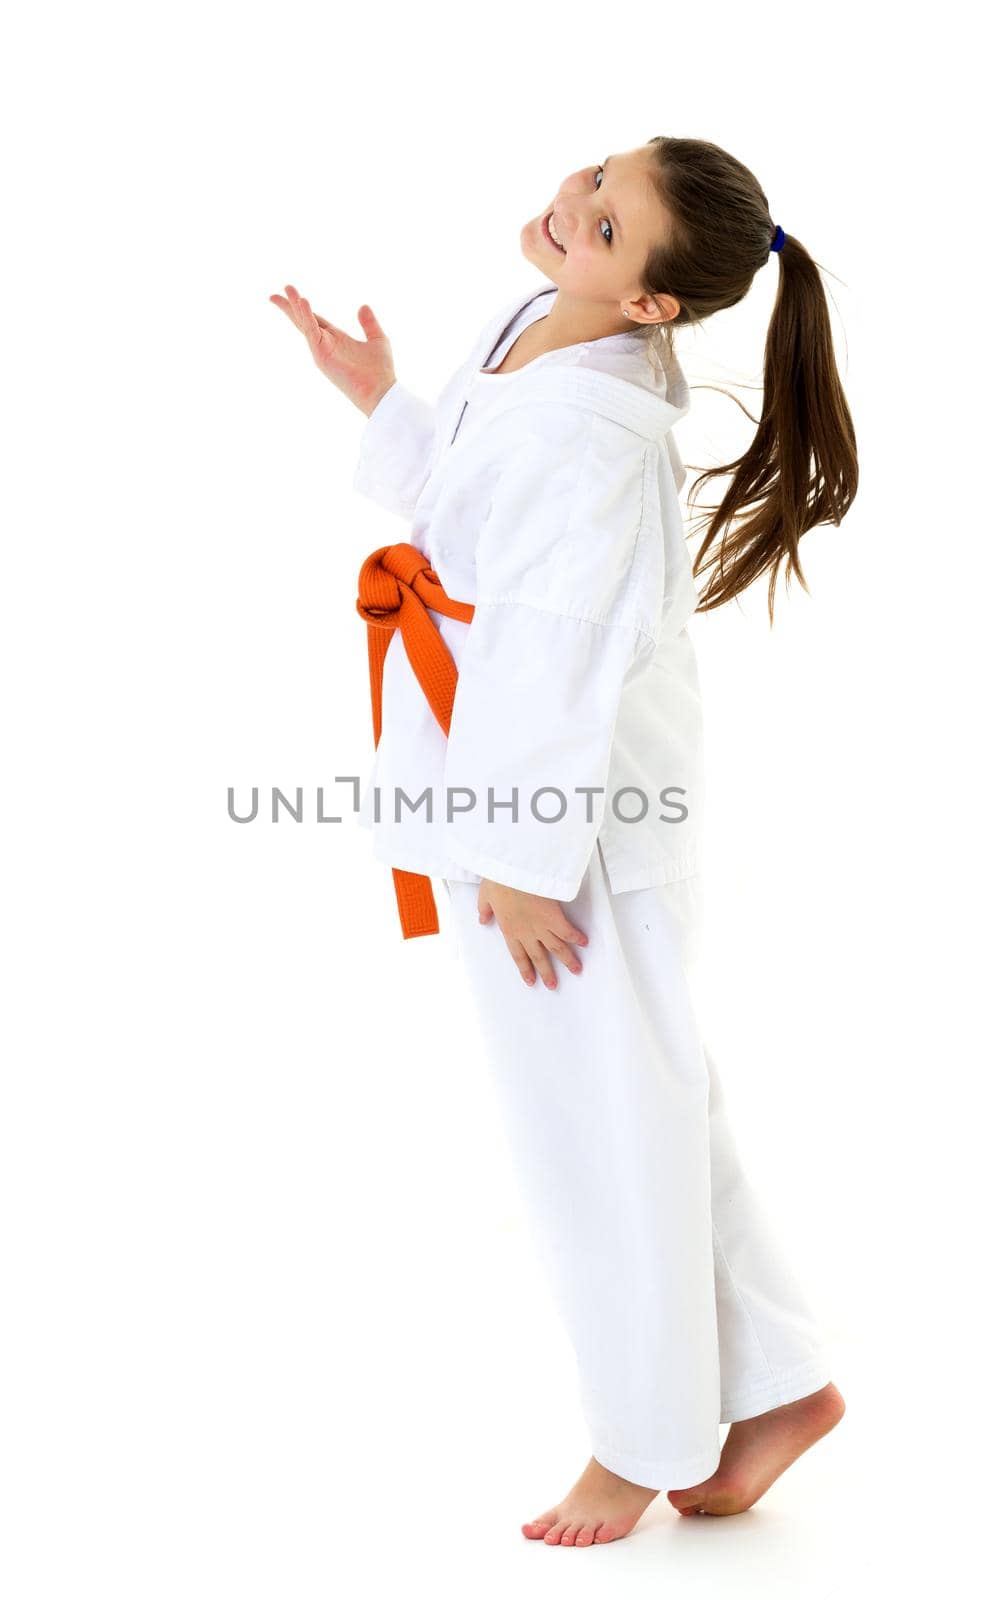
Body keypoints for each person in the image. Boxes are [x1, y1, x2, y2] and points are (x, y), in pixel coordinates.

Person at [270, 135, 857, 1549]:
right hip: (535, 796)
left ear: (651, 305)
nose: (568, 210)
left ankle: (639, 1439)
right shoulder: (546, 319)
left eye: (602, 226)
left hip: (577, 831)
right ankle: (777, 1382)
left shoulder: (596, 438)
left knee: (601, 1133)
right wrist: (386, 405)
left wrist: (528, 868)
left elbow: (553, 650)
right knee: (650, 1103)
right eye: (592, 180)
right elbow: (477, 514)